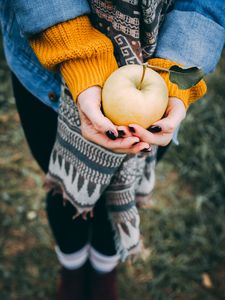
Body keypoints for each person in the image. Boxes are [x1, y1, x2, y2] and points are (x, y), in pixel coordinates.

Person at [1, 1, 225, 299]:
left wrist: (177, 69)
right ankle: (73, 268)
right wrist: (80, 57)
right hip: (51, 63)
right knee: (65, 188)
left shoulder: (161, 80)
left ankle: (104, 269)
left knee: (121, 188)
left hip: (158, 65)